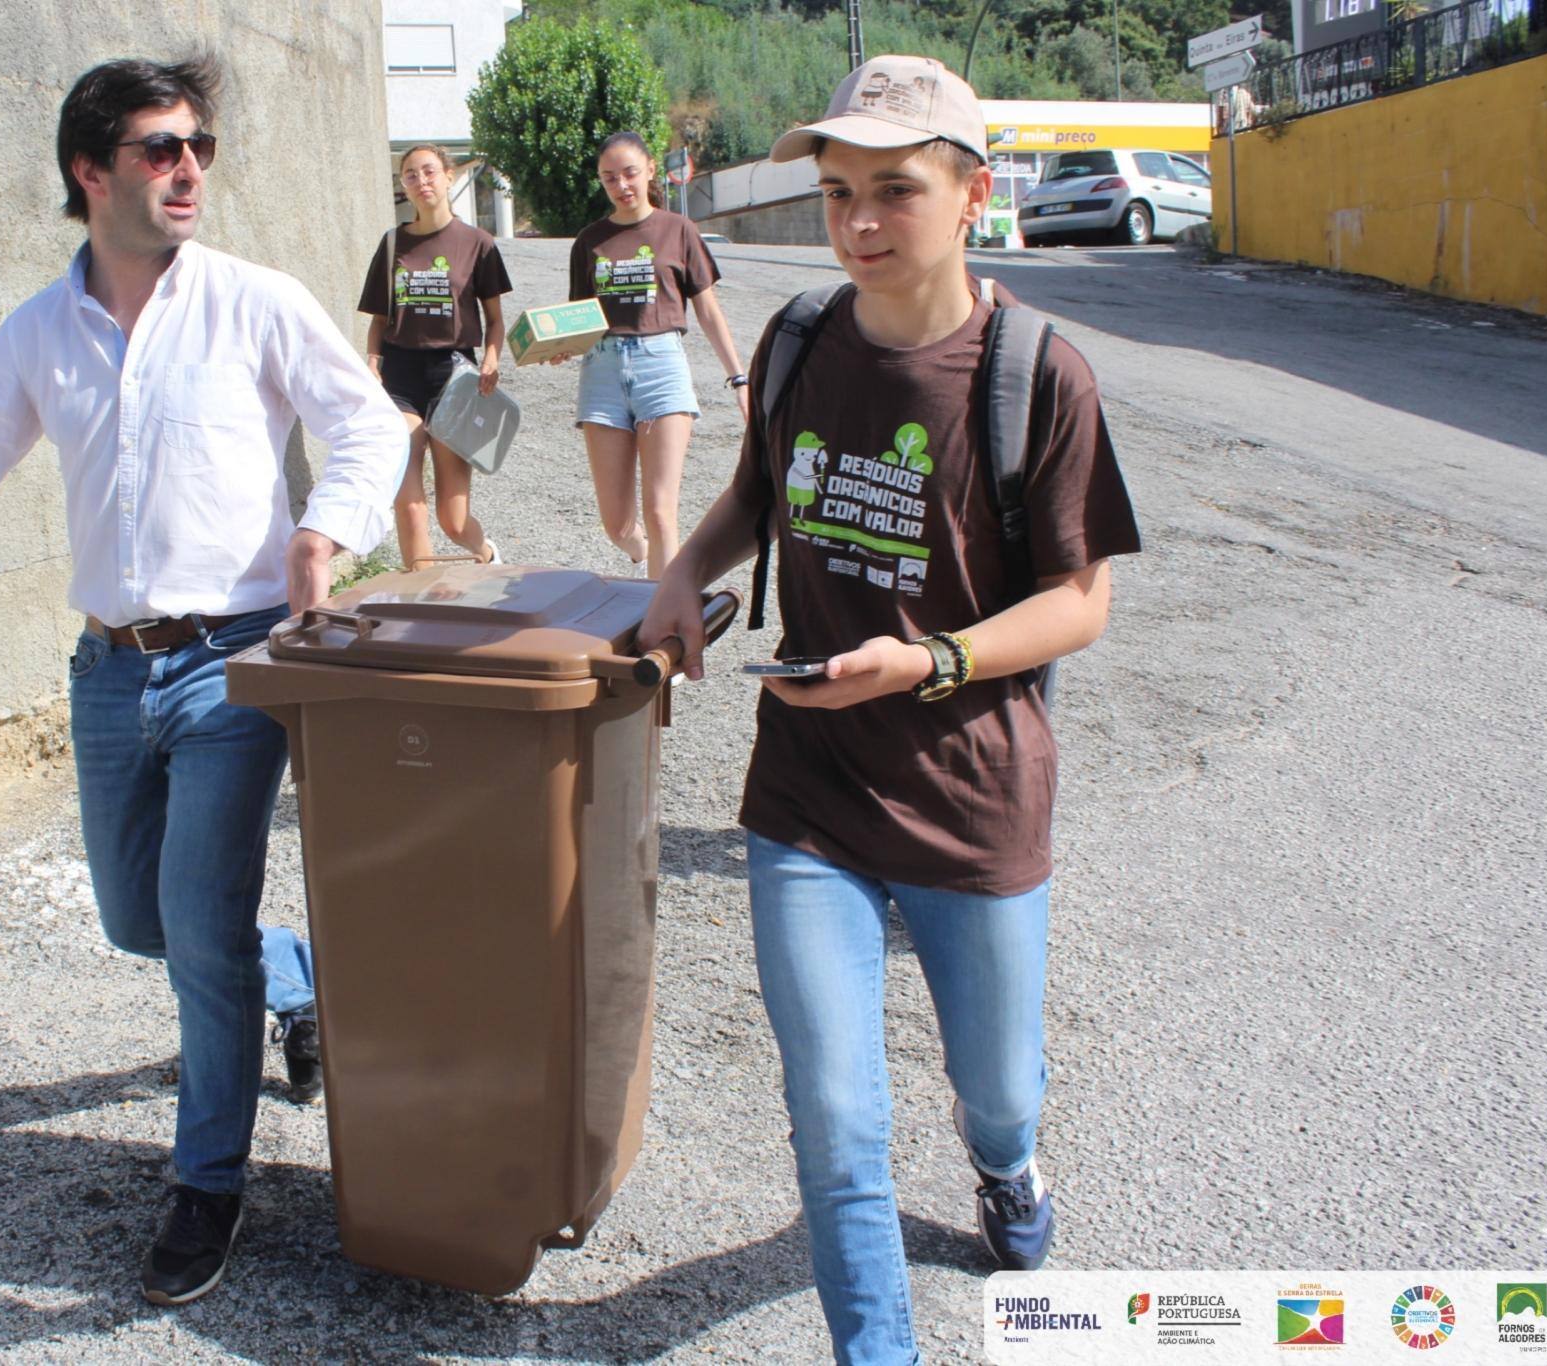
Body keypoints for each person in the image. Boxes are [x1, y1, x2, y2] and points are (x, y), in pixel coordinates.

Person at [0, 53, 409, 1307]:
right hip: (108, 672)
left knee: (193, 930)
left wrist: (327, 527)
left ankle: (205, 1182)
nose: (189, 170)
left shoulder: (251, 301)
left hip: (236, 665)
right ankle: (289, 980)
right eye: (160, 148)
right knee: (145, 921)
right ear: (91, 171)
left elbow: (371, 422)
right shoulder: (41, 330)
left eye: (200, 148)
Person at [638, 56, 1142, 1364]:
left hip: (973, 798)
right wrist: (680, 579)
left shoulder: (1040, 371)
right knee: (839, 1115)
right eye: (839, 192)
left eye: (895, 192)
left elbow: (1079, 601)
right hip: (809, 789)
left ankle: (1006, 1163)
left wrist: (926, 664)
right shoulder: (800, 342)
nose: (858, 222)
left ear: (972, 194)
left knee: (996, 1085)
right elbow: (756, 493)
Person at [562, 131, 749, 579]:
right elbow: (578, 319)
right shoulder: (590, 240)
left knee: (662, 511)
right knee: (617, 524)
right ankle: (640, 554)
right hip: (602, 371)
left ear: (649, 169)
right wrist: (559, 346)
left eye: (629, 173)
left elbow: (707, 310)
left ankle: (659, 625)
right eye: (610, 178)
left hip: (661, 364)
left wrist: (739, 378)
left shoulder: (678, 230)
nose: (622, 185)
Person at [358, 143, 513, 569]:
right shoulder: (393, 245)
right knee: (408, 508)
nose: (421, 181)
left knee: (454, 519)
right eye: (410, 174)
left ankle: (486, 555)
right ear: (404, 187)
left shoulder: (477, 244)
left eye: (428, 171)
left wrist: (492, 359)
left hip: (454, 379)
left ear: (448, 176)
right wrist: (373, 363)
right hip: (400, 380)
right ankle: (420, 607)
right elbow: (377, 320)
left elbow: (495, 320)